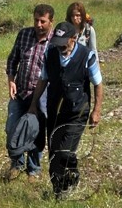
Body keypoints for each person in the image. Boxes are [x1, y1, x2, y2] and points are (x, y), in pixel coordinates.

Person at [28, 22, 104, 199]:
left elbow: (98, 84)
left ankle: (71, 176)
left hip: (77, 112)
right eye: (57, 43)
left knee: (65, 152)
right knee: (54, 153)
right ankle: (58, 190)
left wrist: (96, 110)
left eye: (64, 43)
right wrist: (33, 104)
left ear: (74, 38)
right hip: (55, 111)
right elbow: (43, 80)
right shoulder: (50, 53)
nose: (60, 46)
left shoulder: (87, 56)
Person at [4, 4, 54, 177]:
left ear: (51, 21)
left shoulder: (55, 41)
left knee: (36, 132)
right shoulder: (24, 34)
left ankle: (33, 169)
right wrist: (11, 80)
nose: (38, 25)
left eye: (43, 21)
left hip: (42, 96)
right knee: (12, 128)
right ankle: (16, 164)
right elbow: (13, 59)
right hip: (20, 92)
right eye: (36, 20)